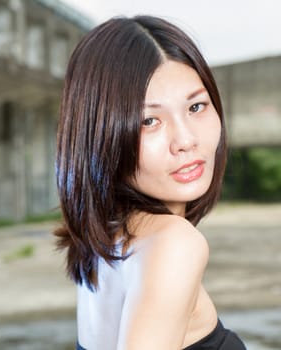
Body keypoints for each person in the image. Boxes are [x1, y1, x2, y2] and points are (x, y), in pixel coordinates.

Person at [54, 15, 247, 350]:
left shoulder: (109, 248)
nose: (185, 140)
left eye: (196, 106)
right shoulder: (174, 243)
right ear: (103, 136)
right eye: (150, 120)